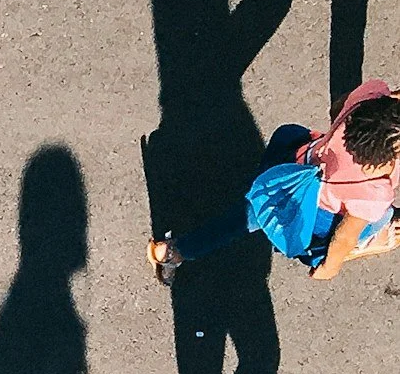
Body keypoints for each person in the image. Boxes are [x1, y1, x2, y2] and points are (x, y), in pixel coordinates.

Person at [149, 79, 400, 282]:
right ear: (388, 159)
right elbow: (345, 235)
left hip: (298, 160)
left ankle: (170, 251)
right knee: (380, 218)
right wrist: (330, 268)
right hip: (304, 204)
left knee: (250, 208)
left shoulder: (370, 97)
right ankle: (178, 251)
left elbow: (337, 106)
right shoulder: (375, 190)